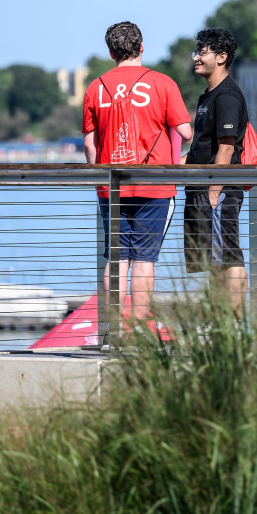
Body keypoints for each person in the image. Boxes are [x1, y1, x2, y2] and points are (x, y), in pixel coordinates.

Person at [82, 21, 193, 332]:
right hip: (154, 184)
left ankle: (114, 328)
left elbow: (90, 141)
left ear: (110, 52)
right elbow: (184, 132)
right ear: (142, 47)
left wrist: (97, 179)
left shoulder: (96, 87)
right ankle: (140, 327)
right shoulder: (162, 83)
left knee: (115, 259)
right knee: (144, 259)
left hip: (110, 184)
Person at [182, 28, 250, 319]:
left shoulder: (228, 97)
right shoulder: (207, 96)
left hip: (218, 191)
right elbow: (202, 149)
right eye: (196, 51)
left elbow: (226, 148)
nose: (196, 57)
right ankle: (219, 322)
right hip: (201, 188)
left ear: (222, 58)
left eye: (203, 52)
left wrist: (213, 195)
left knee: (228, 255)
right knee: (213, 259)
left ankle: (232, 323)